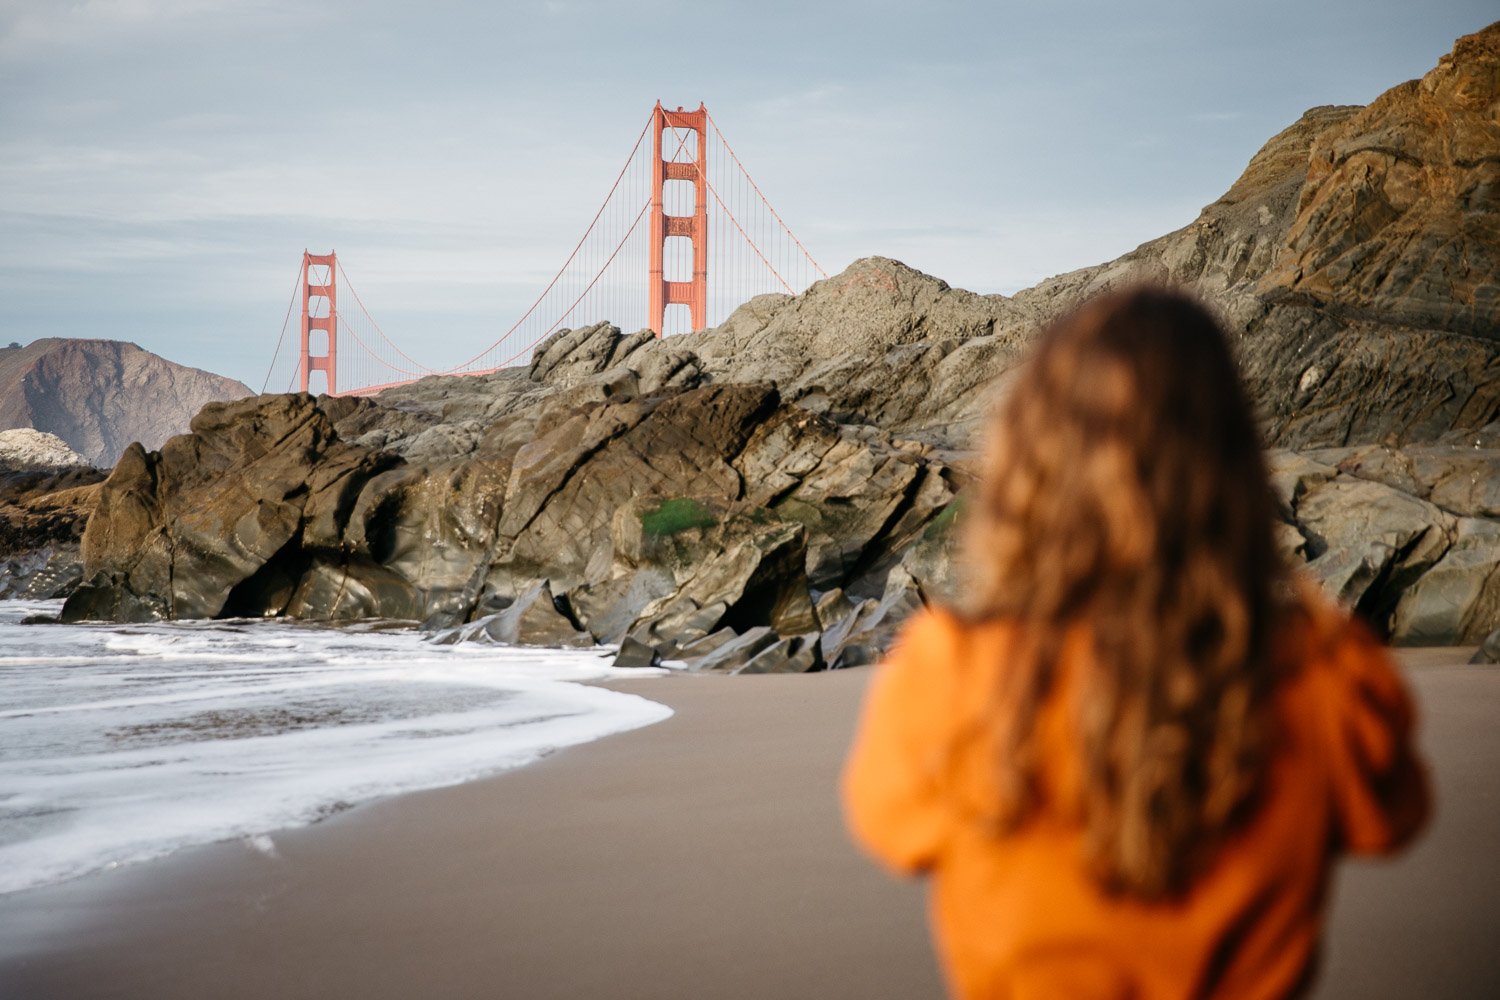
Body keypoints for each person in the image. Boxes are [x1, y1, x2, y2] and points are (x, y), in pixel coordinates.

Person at [842, 288, 1429, 999]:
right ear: (1234, 462)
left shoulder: (950, 673)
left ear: (1031, 458)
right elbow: (1393, 817)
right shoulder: (1326, 677)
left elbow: (886, 827)